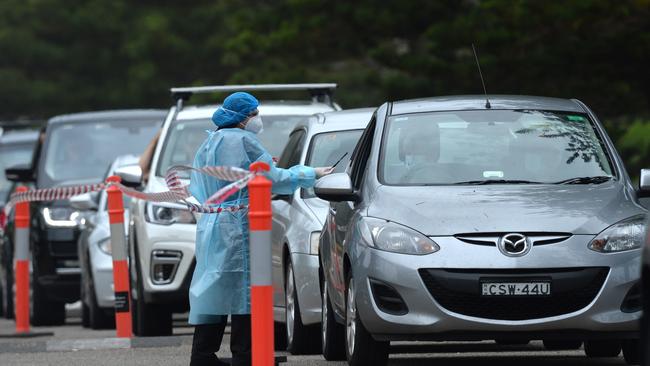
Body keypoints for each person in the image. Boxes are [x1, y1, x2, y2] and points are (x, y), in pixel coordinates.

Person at [188, 92, 333, 366]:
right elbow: (272, 178)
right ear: (243, 117)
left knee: (213, 289)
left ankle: (203, 355)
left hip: (211, 225)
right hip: (239, 226)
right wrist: (310, 174)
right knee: (246, 290)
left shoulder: (210, 141)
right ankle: (246, 356)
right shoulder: (243, 141)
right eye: (254, 113)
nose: (257, 119)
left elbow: (201, 185)